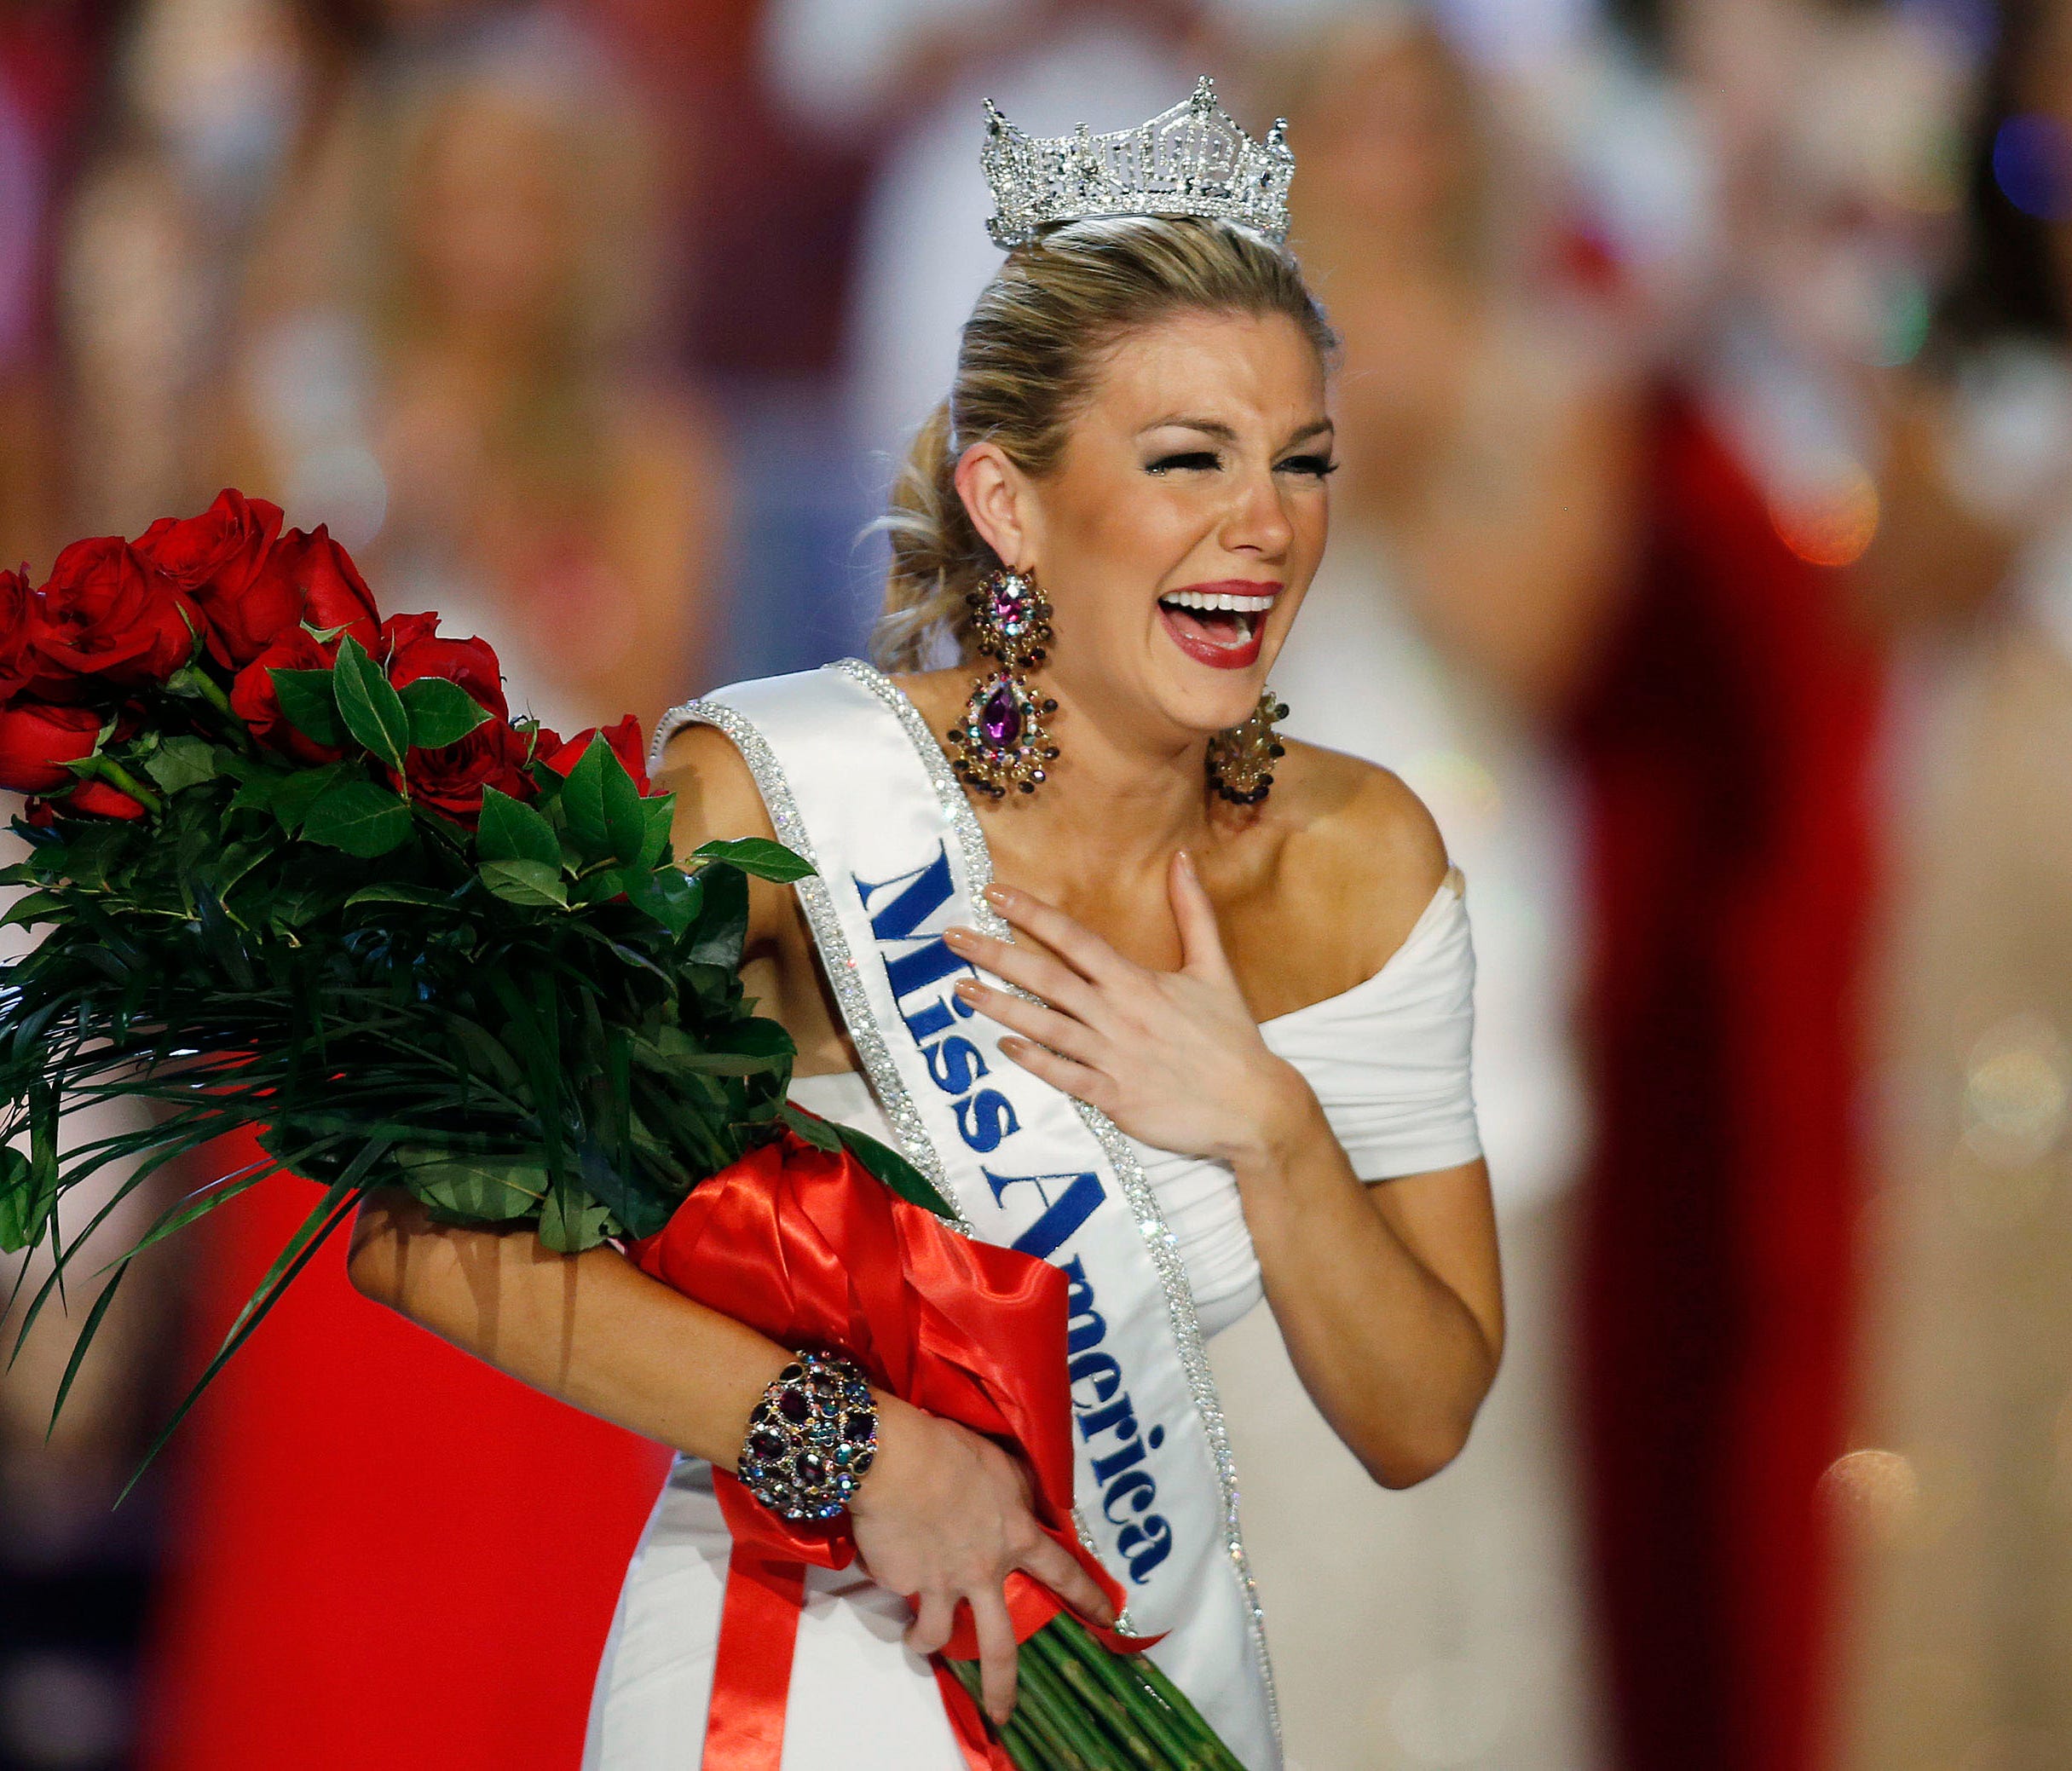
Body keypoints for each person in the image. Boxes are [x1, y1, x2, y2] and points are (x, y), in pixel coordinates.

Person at [348, 83, 1502, 1768]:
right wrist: (852, 1447)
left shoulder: (1360, 855)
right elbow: (421, 1217)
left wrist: (1268, 1123)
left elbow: (1418, 1415)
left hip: (1133, 1673)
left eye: (1300, 459)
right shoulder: (779, 798)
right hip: (793, 1656)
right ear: (1010, 502)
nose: (1265, 523)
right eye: (1188, 457)